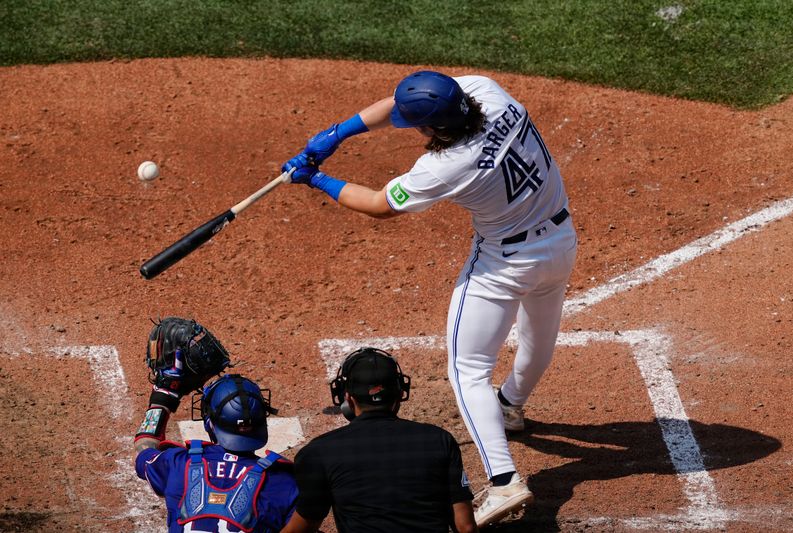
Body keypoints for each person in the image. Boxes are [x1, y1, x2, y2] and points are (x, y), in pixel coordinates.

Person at [282, 70, 577, 527]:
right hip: (559, 242)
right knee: (538, 333)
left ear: (433, 129)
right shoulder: (487, 92)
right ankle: (511, 404)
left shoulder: (446, 167)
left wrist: (317, 179)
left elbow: (381, 204)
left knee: (467, 369)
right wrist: (337, 133)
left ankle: (504, 481)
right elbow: (398, 104)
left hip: (504, 263)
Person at [280, 347, 478, 533]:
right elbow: (466, 526)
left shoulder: (319, 452)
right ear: (400, 394)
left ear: (348, 399)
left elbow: (304, 526)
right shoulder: (439, 440)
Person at [134, 317, 298, 532]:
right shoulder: (285, 482)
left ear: (209, 424)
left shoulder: (177, 464)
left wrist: (165, 393)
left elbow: (144, 447)